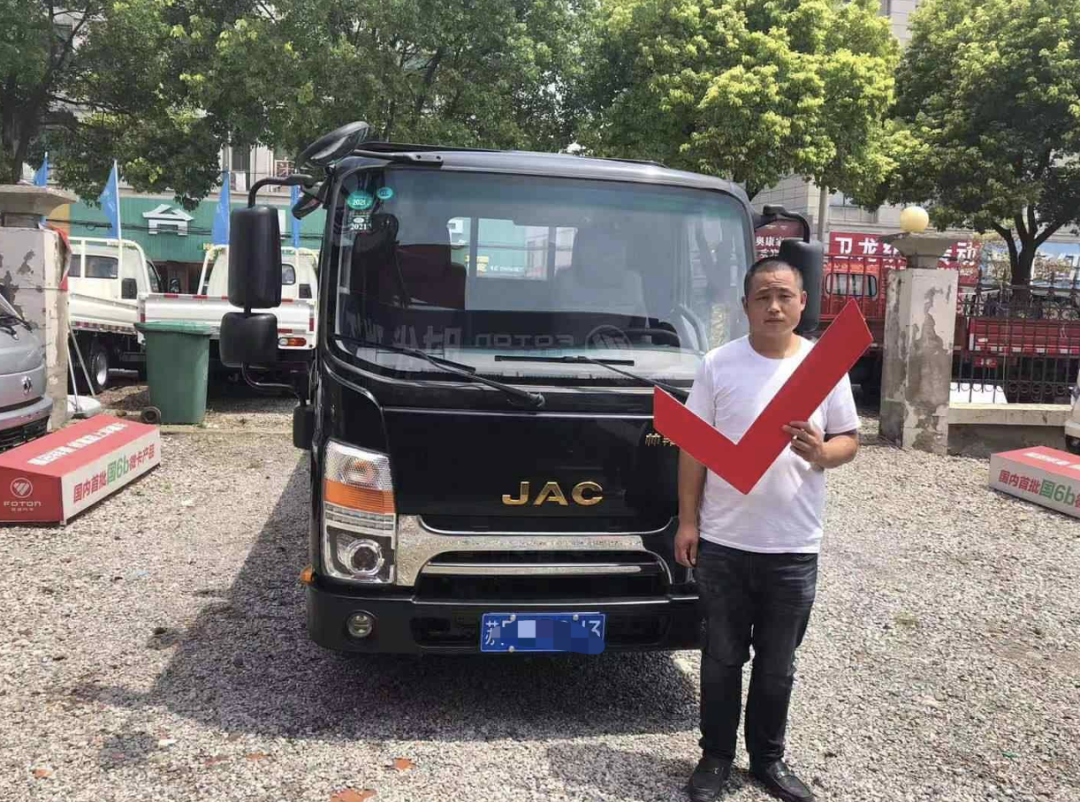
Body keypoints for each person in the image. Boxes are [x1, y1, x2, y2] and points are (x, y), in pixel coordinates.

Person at [676, 257, 860, 802]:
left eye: (784, 296)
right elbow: (692, 449)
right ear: (745, 307)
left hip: (793, 545)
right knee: (721, 658)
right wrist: (688, 521)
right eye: (762, 297)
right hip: (724, 544)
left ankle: (768, 760)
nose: (774, 306)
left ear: (803, 303)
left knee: (778, 665)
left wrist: (822, 452)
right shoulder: (718, 364)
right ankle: (714, 758)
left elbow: (849, 440)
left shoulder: (823, 367)